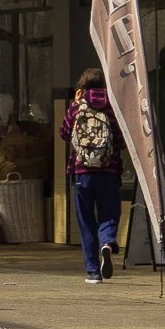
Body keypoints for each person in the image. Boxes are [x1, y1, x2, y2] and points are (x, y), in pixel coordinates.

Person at [60, 67, 125, 285]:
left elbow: (64, 133)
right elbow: (120, 138)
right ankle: (107, 242)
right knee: (109, 214)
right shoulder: (111, 107)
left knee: (86, 221)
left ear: (82, 87)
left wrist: (74, 105)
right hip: (109, 172)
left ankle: (93, 272)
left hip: (81, 173)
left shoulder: (76, 107)